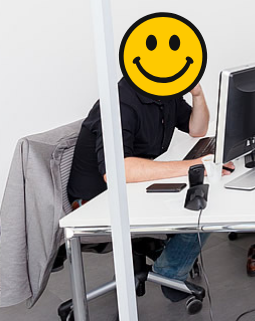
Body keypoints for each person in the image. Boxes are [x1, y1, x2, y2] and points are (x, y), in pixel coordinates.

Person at [68, 78, 229, 300]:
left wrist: (197, 94)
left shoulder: (163, 92)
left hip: (133, 187)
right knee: (201, 204)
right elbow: (118, 172)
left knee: (204, 191)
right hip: (96, 201)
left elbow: (197, 129)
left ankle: (168, 261)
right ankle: (170, 272)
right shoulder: (120, 103)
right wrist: (194, 165)